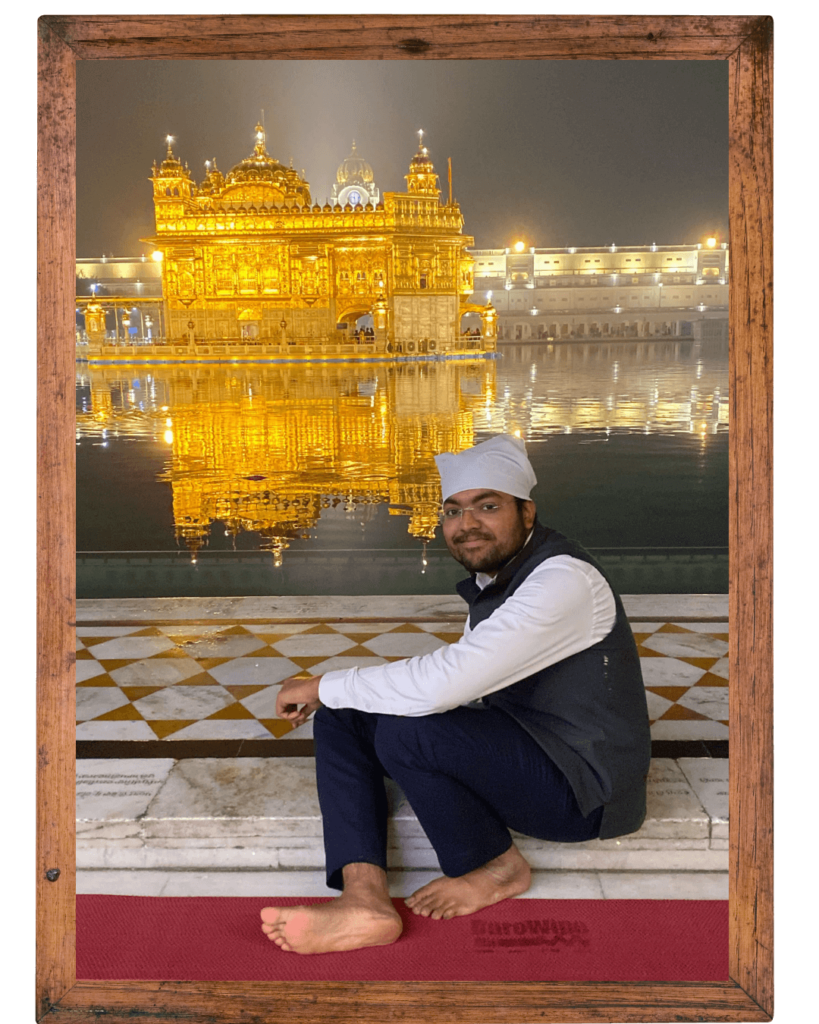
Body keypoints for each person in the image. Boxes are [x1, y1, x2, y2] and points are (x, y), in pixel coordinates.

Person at [261, 434, 651, 954]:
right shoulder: (503, 576)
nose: (467, 524)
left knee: (406, 729)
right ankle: (365, 897)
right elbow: (462, 681)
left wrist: (319, 683)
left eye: (487, 507)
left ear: (527, 512)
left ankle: (496, 868)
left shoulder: (561, 581)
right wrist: (338, 695)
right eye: (453, 512)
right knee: (344, 712)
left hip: (587, 791)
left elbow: (444, 684)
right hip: (536, 745)